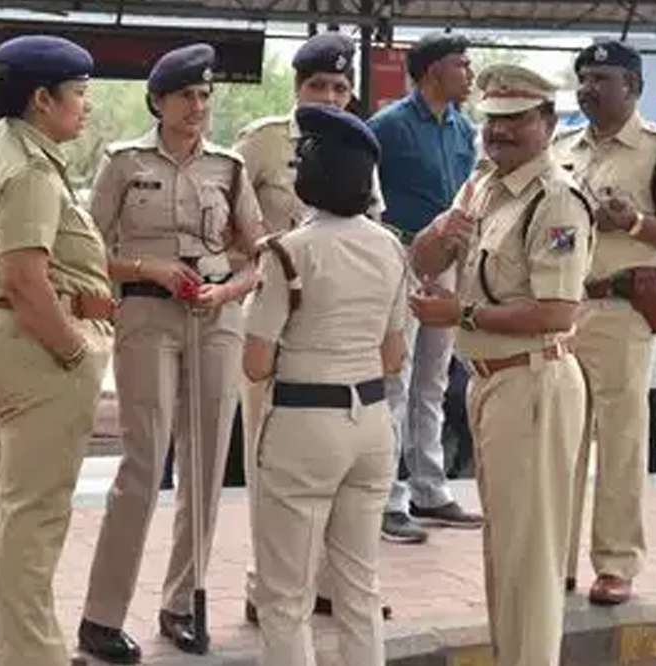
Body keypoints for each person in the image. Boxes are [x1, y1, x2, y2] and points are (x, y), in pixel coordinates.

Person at [77, 43, 265, 663]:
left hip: (215, 318)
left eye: (205, 95)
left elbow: (259, 255)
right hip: (146, 316)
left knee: (207, 465)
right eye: (186, 95)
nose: (198, 106)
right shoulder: (123, 163)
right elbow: (84, 250)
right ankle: (101, 617)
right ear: (158, 101)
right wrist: (147, 268)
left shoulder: (229, 167)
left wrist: (227, 290)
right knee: (143, 462)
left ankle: (183, 602)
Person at [408, 64, 592, 666]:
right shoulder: (482, 185)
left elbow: (557, 311)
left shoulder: (555, 200)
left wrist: (460, 315)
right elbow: (423, 261)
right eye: (492, 120)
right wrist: (440, 231)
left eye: (517, 119)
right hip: (491, 383)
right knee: (503, 547)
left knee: (530, 555)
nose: (501, 132)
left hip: (533, 380)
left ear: (549, 123)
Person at [0, 35, 114, 666]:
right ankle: (31, 655)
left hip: (6, 340)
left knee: (9, 510)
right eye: (78, 93)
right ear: (42, 99)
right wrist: (74, 352)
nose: (86, 105)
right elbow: (26, 279)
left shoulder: (6, 152)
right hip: (37, 351)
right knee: (37, 519)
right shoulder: (29, 170)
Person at [232, 29, 391, 626]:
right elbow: (229, 214)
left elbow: (372, 224)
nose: (329, 96)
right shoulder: (263, 141)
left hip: (338, 333)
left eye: (340, 87)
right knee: (270, 465)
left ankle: (330, 586)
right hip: (272, 323)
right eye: (319, 85)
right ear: (298, 88)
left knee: (342, 474)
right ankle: (266, 583)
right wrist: (259, 260)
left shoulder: (356, 148)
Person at [244, 102, 407, 666]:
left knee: (285, 597)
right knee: (359, 590)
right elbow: (394, 354)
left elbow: (256, 363)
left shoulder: (288, 252)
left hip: (303, 423)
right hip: (372, 422)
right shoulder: (389, 246)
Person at [555, 41, 656, 605]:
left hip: (621, 311)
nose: (588, 88)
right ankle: (556, 561)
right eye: (583, 78)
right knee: (560, 440)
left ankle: (616, 564)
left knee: (619, 442)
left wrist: (637, 223)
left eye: (602, 78)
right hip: (564, 309)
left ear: (633, 87)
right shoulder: (562, 147)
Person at [367, 31, 481, 543]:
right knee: (397, 376)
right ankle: (387, 498)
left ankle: (429, 489)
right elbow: (367, 196)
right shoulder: (388, 126)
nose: (469, 74)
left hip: (449, 263)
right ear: (434, 71)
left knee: (433, 379)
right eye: (462, 64)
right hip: (403, 260)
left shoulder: (464, 128)